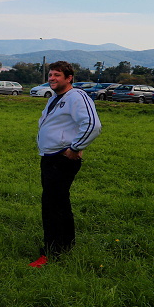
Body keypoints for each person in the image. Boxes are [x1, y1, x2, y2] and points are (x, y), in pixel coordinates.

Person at [29, 61, 102, 268]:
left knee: (52, 206)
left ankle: (51, 252)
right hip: (50, 157)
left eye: (57, 75)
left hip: (61, 159)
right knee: (60, 203)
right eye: (50, 75)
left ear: (69, 78)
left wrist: (75, 147)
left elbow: (93, 124)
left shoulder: (76, 96)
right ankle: (66, 246)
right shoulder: (55, 98)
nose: (52, 78)